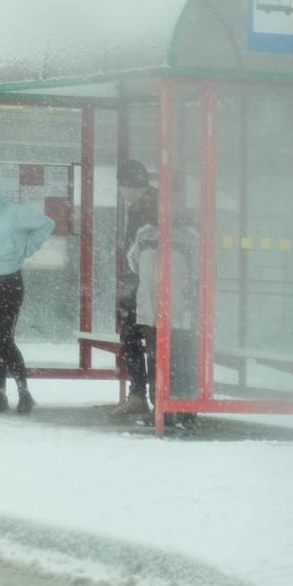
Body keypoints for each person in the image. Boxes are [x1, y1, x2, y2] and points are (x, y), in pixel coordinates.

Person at [0, 175, 55, 413]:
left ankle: (24, 393)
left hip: (9, 283)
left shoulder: (15, 213)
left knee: (4, 337)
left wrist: (26, 247)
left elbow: (47, 224)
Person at [127, 216, 200, 426]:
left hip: (160, 312)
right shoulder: (189, 238)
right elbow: (198, 271)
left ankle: (167, 407)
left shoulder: (145, 235)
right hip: (169, 312)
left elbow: (132, 263)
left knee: (160, 359)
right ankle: (174, 408)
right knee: (173, 360)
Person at [111, 160, 159, 415]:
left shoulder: (147, 208)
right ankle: (143, 395)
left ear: (130, 185)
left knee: (147, 340)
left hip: (145, 287)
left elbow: (140, 250)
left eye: (121, 186)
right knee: (138, 339)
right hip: (140, 287)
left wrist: (131, 283)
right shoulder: (145, 205)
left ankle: (149, 397)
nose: (120, 192)